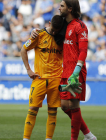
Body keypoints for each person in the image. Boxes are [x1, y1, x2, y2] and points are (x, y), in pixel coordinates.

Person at [31, 0, 97, 140]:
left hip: (76, 72)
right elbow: (49, 31)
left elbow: (83, 51)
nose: (59, 8)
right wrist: (35, 32)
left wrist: (77, 71)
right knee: (64, 106)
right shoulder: (63, 25)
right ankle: (89, 135)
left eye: (62, 6)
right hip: (65, 71)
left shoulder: (80, 26)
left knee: (73, 105)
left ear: (70, 8)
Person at [21, 15, 64, 140]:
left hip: (56, 79)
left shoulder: (62, 37)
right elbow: (23, 50)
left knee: (53, 110)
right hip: (39, 78)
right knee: (33, 108)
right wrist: (29, 70)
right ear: (49, 23)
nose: (55, 32)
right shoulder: (38, 35)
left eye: (57, 30)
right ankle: (25, 138)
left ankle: (48, 139)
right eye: (53, 29)